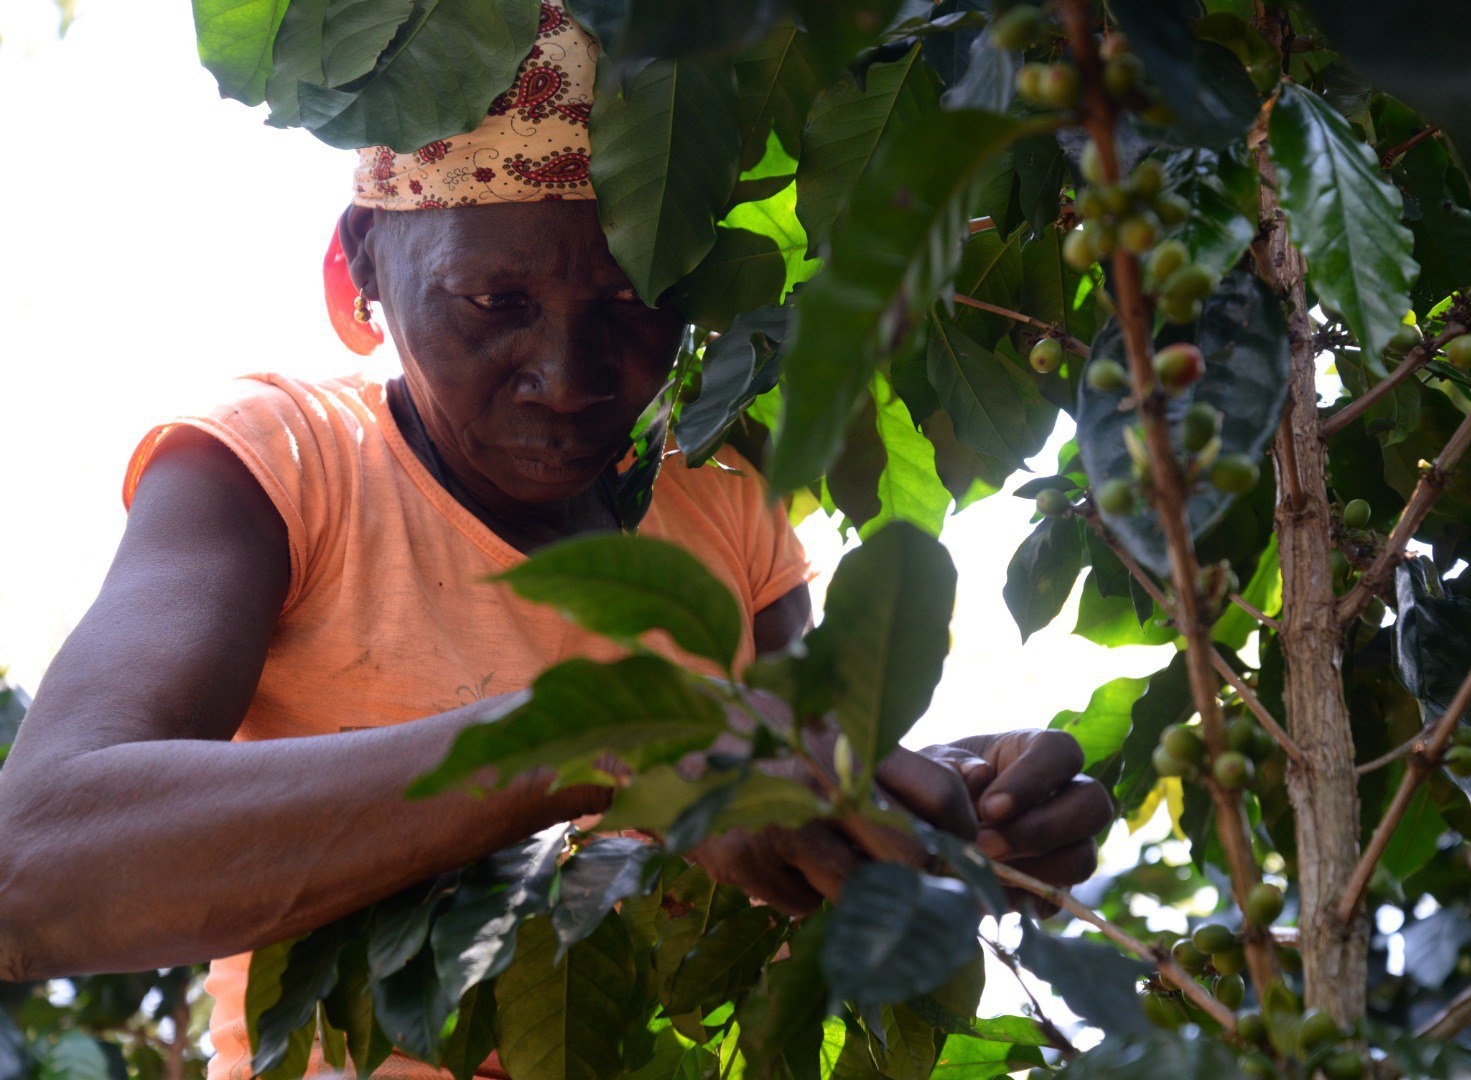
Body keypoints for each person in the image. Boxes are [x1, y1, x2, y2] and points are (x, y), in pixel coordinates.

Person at [0, 8, 1111, 1079]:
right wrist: (591, 742)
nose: (573, 379)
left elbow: (785, 825)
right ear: (368, 261)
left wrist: (954, 813)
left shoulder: (724, 502)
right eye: (494, 300)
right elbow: (34, 870)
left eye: (636, 305)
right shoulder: (276, 467)